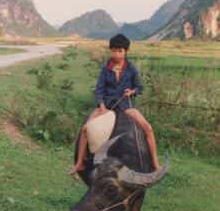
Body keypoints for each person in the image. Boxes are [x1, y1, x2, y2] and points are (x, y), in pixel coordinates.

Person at [68, 33, 162, 175]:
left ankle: (155, 163)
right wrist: (101, 105)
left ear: (125, 52)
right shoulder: (105, 69)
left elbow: (139, 87)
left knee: (148, 128)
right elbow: (99, 89)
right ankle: (80, 163)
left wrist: (132, 91)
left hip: (126, 106)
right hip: (107, 106)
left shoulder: (131, 69)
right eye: (114, 51)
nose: (116, 54)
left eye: (120, 51)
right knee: (86, 129)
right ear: (110, 51)